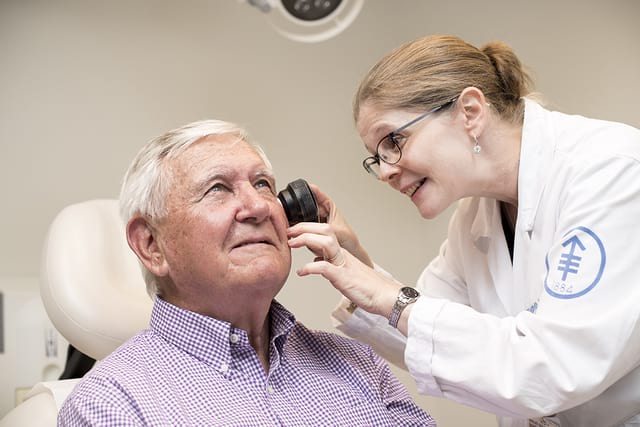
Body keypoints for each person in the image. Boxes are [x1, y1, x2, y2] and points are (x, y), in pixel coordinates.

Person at [287, 34, 640, 427]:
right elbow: (426, 336)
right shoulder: (474, 218)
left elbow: (556, 369)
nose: (385, 171)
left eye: (394, 141)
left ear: (470, 112)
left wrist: (385, 295)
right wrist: (357, 267)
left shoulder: (611, 173)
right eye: (377, 158)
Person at [57, 119, 436, 426]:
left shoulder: (358, 363)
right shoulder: (110, 407)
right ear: (151, 246)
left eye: (263, 185)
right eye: (218, 189)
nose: (258, 206)